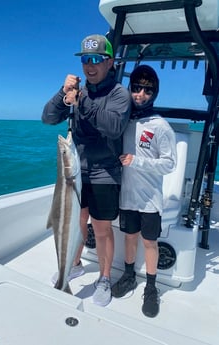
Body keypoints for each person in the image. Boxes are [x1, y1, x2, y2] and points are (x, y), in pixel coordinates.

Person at [42, 34, 131, 306]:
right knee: (77, 222)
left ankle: (104, 278)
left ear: (110, 62)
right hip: (77, 173)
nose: (89, 66)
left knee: (102, 229)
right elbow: (48, 118)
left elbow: (114, 126)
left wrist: (83, 102)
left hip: (105, 172)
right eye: (84, 60)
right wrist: (62, 92)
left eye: (95, 59)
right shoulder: (77, 92)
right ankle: (74, 264)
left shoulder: (119, 94)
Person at [111, 65, 177, 317]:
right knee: (129, 237)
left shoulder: (160, 126)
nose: (140, 94)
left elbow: (170, 163)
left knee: (149, 242)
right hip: (127, 195)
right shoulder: (124, 120)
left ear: (154, 93)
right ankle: (128, 276)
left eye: (147, 90)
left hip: (150, 199)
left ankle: (151, 287)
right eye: (136, 88)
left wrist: (137, 161)